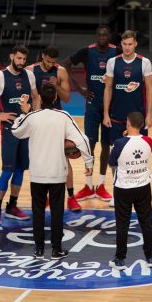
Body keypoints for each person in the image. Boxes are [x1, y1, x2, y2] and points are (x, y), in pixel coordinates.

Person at [11, 83, 93, 259]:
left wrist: (23, 113)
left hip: (37, 174)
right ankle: (56, 249)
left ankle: (39, 249)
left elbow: (16, 131)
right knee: (57, 213)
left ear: (39, 98)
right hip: (57, 174)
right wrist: (88, 162)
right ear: (55, 98)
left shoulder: (32, 117)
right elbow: (82, 140)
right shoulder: (64, 116)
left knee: (38, 212)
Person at [0, 45, 39, 224]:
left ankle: (12, 206)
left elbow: (36, 96)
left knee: (20, 169)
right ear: (12, 56)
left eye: (24, 60)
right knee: (7, 170)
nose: (21, 62)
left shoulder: (30, 75)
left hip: (26, 129)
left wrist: (35, 113)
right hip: (9, 131)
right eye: (18, 58)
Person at [63, 25, 117, 203]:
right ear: (96, 36)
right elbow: (66, 64)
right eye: (99, 34)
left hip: (110, 105)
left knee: (106, 146)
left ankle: (101, 185)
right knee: (89, 145)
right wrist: (78, 88)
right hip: (93, 104)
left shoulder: (116, 52)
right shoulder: (87, 51)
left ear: (109, 36)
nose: (102, 36)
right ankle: (88, 186)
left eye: (105, 34)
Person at [26, 46, 82, 213]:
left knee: (65, 158)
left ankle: (71, 197)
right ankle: (45, 197)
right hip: (38, 119)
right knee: (40, 158)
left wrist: (56, 86)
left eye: (54, 62)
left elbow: (67, 98)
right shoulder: (30, 70)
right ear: (42, 56)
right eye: (48, 61)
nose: (51, 65)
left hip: (57, 118)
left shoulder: (61, 71)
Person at [103, 30, 152, 207]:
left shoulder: (144, 62)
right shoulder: (112, 62)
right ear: (121, 45)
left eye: (130, 44)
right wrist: (105, 114)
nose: (127, 47)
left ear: (135, 44)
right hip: (117, 117)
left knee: (138, 157)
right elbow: (108, 89)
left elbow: (150, 89)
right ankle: (117, 191)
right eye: (124, 44)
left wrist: (149, 114)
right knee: (116, 158)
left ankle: (139, 190)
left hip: (138, 119)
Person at [108, 112, 152, 270]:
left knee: (123, 224)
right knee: (146, 222)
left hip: (124, 189)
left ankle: (120, 259)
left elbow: (111, 161)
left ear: (127, 123)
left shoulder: (119, 143)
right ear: (142, 124)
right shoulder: (148, 141)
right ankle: (150, 257)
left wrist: (122, 140)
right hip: (143, 187)